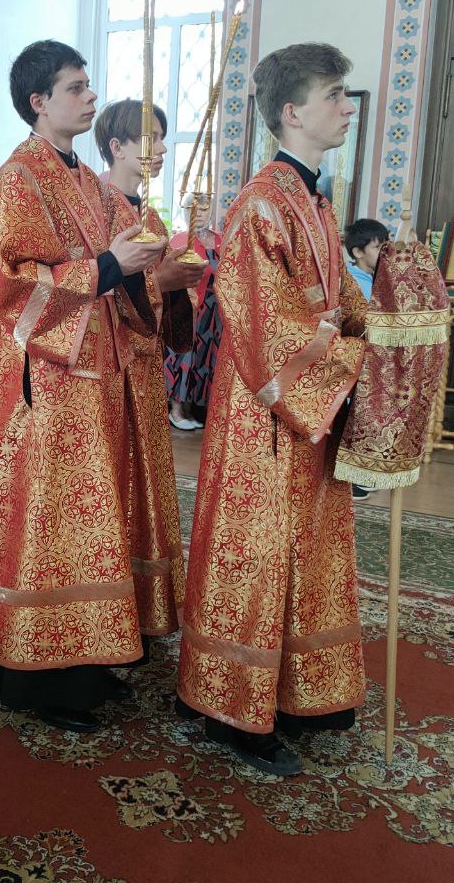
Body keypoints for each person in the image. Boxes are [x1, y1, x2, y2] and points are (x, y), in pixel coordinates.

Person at [176, 43, 369, 776]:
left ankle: (297, 689)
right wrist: (352, 357)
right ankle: (231, 707)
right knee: (258, 551)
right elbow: (266, 327)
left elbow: (339, 298)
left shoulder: (313, 198)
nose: (347, 109)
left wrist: (387, 332)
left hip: (307, 408)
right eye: (335, 96)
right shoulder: (261, 203)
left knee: (307, 545)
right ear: (292, 112)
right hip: (267, 414)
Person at [0, 40, 164, 733]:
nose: (90, 97)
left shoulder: (89, 181)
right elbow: (13, 287)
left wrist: (152, 269)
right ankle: (35, 678)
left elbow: (125, 264)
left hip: (96, 379)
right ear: (39, 101)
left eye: (89, 85)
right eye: (76, 87)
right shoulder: (16, 181)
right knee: (50, 527)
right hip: (46, 388)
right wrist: (110, 264)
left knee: (92, 525)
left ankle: (85, 659)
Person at [95, 98, 204, 646]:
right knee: (117, 488)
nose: (160, 149)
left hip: (145, 375)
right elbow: (95, 298)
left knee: (148, 487)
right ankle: (111, 609)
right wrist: (162, 284)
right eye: (150, 139)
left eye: (162, 138)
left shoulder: (151, 217)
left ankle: (146, 606)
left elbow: (165, 310)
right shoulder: (95, 209)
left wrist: (180, 284)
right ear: (116, 146)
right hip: (109, 375)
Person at [162, 192, 223, 430]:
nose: (198, 214)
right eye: (191, 209)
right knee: (183, 357)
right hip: (189, 307)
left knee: (205, 359)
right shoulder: (179, 240)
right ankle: (176, 410)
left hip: (214, 311)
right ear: (184, 211)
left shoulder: (220, 240)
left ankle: (194, 408)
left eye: (204, 209)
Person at [343, 218, 389, 501]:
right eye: (378, 247)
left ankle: (363, 471)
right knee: (355, 416)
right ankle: (352, 479)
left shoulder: (374, 278)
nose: (384, 253)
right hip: (355, 358)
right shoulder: (353, 282)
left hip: (373, 359)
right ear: (358, 252)